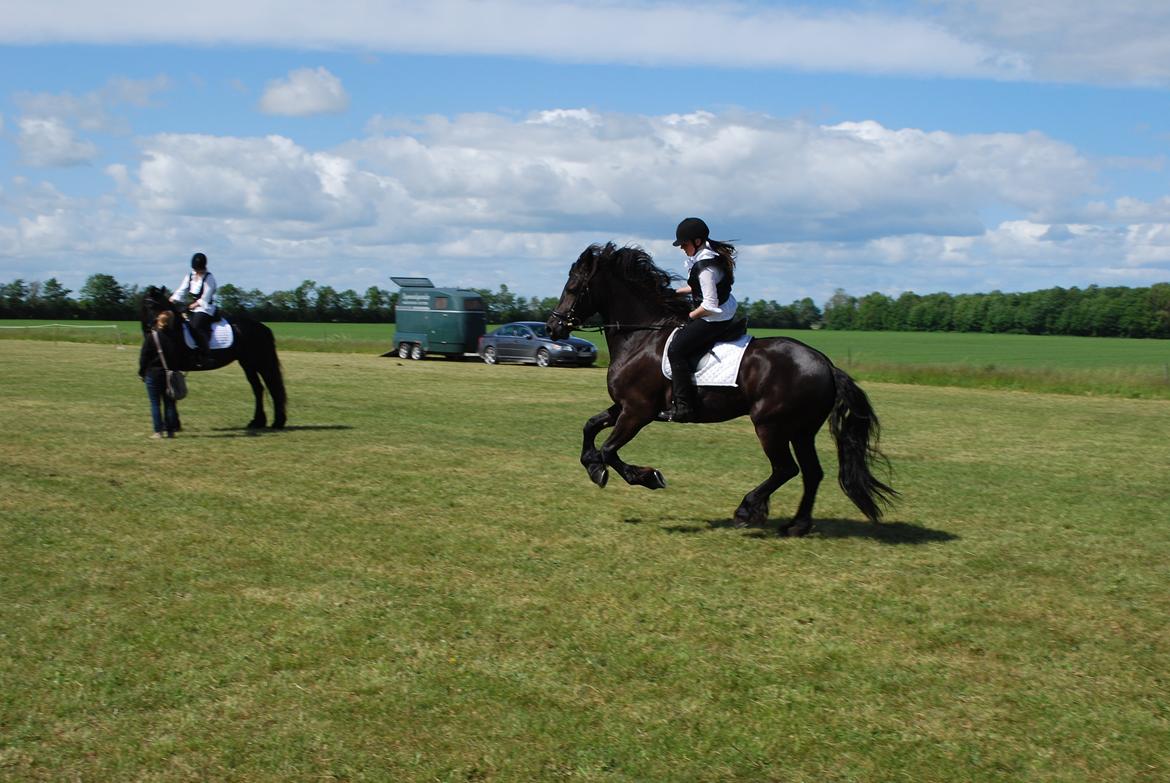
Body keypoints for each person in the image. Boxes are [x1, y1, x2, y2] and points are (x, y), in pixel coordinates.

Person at [666, 217, 739, 422]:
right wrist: (675, 293)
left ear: (697, 242)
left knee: (676, 349)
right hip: (722, 310)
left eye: (684, 244)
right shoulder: (705, 256)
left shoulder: (706, 266)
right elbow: (698, 287)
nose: (682, 248)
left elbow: (708, 305)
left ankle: (684, 407)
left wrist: (688, 316)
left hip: (715, 317)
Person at [170, 252, 217, 368]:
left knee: (195, 326)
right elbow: (181, 290)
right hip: (193, 307)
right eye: (196, 269)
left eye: (199, 269)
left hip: (206, 308)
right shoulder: (190, 276)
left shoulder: (209, 278)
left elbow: (205, 298)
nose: (197, 271)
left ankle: (206, 355)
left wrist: (192, 305)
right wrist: (172, 299)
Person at [139, 311, 181, 438]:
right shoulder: (176, 337)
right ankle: (170, 431)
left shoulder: (152, 336)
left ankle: (158, 431)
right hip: (170, 374)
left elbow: (144, 357)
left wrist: (141, 372)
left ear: (159, 321)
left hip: (153, 373)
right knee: (169, 403)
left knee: (155, 403)